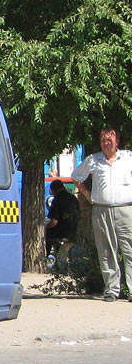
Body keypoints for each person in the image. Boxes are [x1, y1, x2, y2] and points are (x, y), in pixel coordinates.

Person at [72, 127, 132, 302]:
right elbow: (76, 176)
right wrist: (88, 196)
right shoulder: (93, 160)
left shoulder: (128, 158)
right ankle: (111, 290)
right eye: (103, 140)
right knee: (106, 250)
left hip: (126, 209)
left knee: (130, 250)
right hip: (101, 209)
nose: (107, 143)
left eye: (110, 139)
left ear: (117, 141)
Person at [44, 179, 79, 260]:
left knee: (47, 233)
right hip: (74, 231)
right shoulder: (73, 198)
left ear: (52, 190)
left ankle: (45, 258)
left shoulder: (57, 200)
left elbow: (54, 222)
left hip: (62, 233)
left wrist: (44, 227)